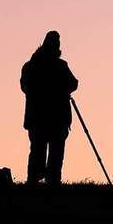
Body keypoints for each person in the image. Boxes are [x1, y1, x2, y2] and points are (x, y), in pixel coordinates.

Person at [21, 31, 78, 185]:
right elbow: (73, 84)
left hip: (37, 117)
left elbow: (25, 86)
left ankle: (34, 180)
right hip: (56, 117)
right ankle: (51, 181)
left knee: (38, 150)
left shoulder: (30, 66)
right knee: (55, 151)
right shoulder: (60, 66)